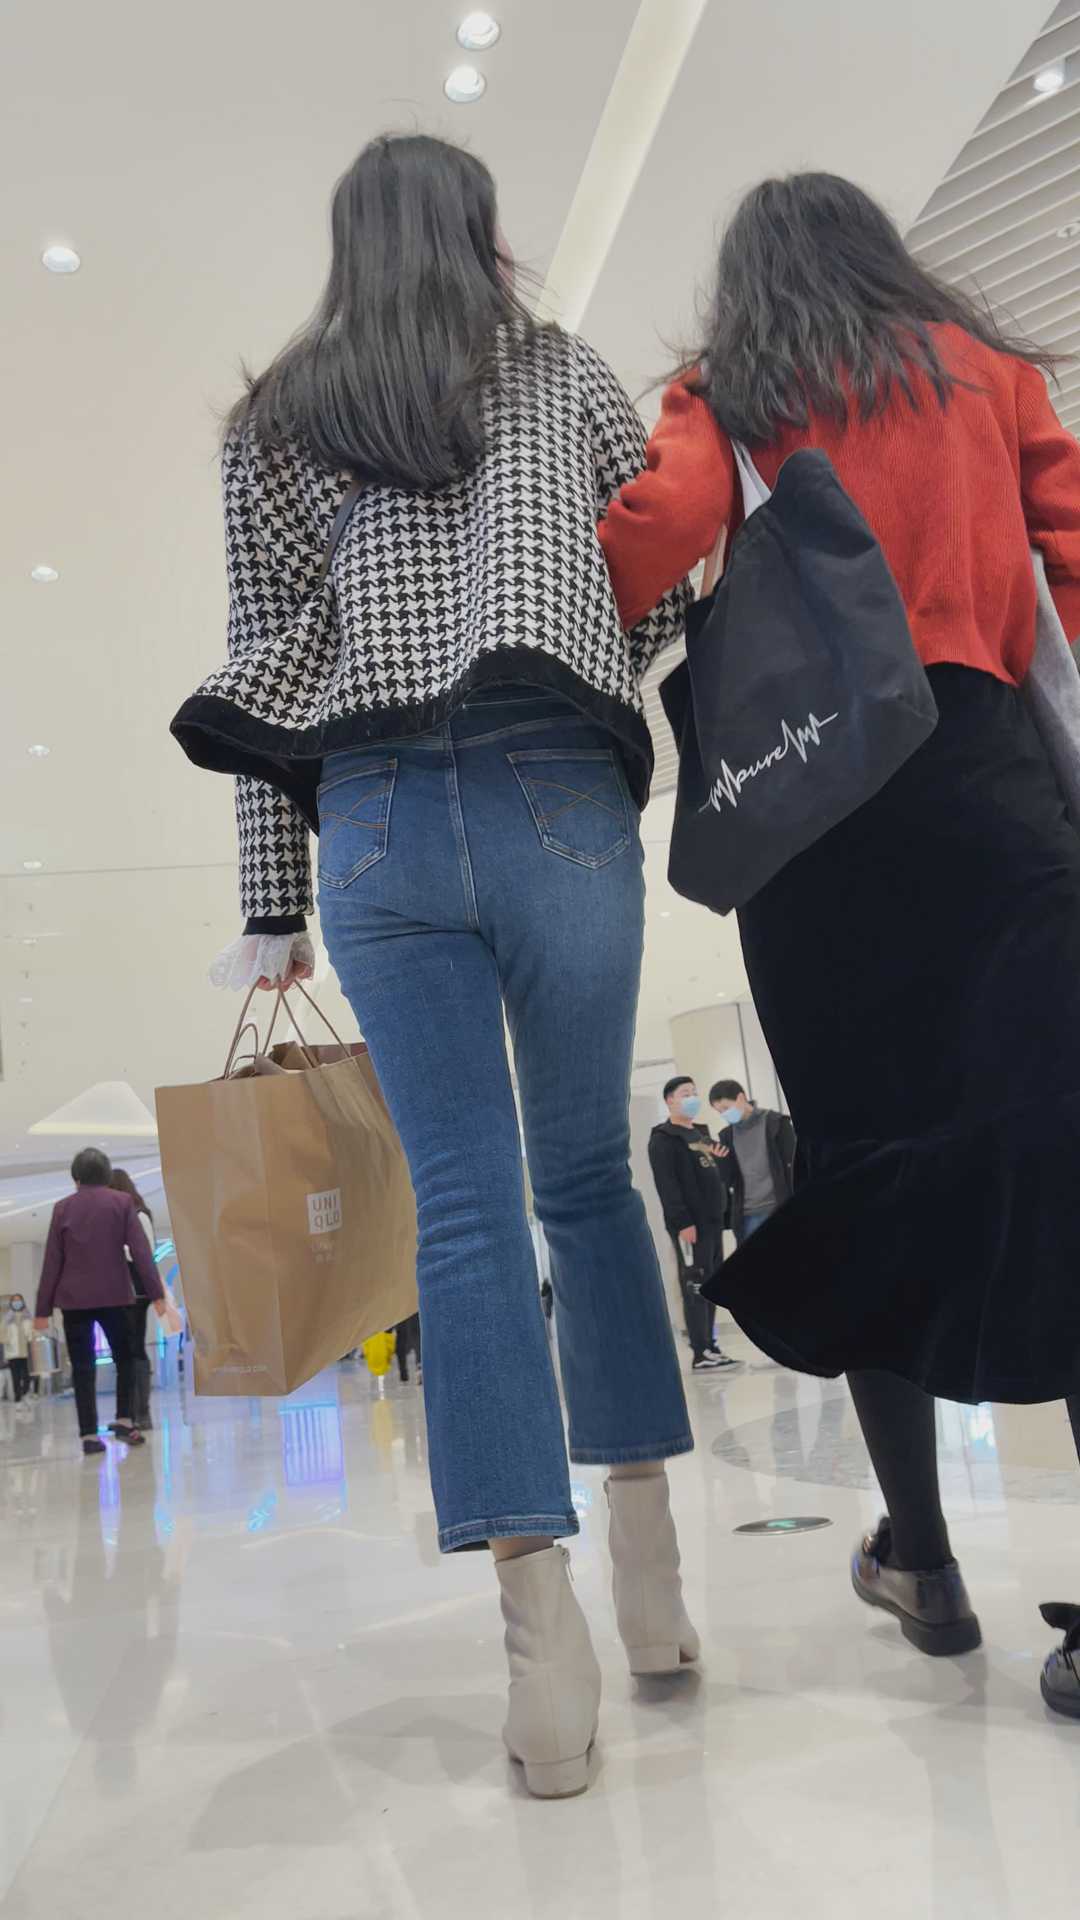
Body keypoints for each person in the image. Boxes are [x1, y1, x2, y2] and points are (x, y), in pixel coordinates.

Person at [171, 133, 696, 1797]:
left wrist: (273, 906)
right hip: (556, 788)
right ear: (481, 231)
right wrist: (609, 655)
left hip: (376, 817)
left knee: (464, 1217)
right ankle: (653, 1581)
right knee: (587, 1182)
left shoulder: (276, 421)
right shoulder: (558, 369)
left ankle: (544, 1666)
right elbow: (658, 569)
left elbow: (262, 672)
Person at [598, 171, 1080, 1715]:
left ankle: (922, 1563)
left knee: (870, 1166)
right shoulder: (988, 374)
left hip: (821, 822)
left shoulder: (731, 387)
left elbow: (650, 537)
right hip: (993, 795)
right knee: (1060, 1176)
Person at [35, 1148, 167, 1457]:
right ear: (107, 1175)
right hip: (115, 1296)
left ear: (76, 1177)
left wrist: (42, 1310)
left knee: (82, 1367)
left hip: (74, 1301)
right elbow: (141, 1252)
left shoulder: (62, 1208)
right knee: (125, 1359)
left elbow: (52, 1261)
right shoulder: (122, 1203)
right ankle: (124, 1420)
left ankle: (89, 1436)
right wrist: (157, 1294)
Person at [648, 1076, 738, 1371]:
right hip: (690, 1226)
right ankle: (700, 1351)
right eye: (685, 1093)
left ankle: (711, 1345)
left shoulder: (700, 1134)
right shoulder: (664, 1138)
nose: (692, 1098)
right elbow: (668, 1185)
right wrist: (682, 1221)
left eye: (694, 1092)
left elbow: (717, 1173)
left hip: (713, 1222)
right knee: (695, 1284)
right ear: (670, 1100)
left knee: (712, 1283)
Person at [709, 1081, 796, 1243]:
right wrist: (720, 1161)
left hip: (778, 1206)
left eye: (726, 1108)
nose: (724, 1114)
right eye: (719, 1111)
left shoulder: (776, 1123)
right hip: (747, 1216)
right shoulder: (727, 1135)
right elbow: (729, 1180)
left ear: (741, 1098)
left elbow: (795, 1166)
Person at [110, 1168, 158, 1429]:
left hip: (136, 1291)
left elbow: (144, 1252)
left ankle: (142, 1413)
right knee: (126, 1351)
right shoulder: (118, 1216)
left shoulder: (139, 1215)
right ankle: (130, 1413)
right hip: (120, 1290)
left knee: (135, 1349)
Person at [2, 1294, 34, 1413]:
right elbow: (1, 1334)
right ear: (11, 1303)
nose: (17, 1303)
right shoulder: (7, 1318)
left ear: (22, 1302)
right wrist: (7, 1338)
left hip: (25, 1352)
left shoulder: (27, 1316)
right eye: (14, 1301)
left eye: (19, 1300)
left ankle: (24, 1394)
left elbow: (32, 1332)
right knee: (15, 1377)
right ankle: (18, 1401)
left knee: (27, 1377)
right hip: (13, 1352)